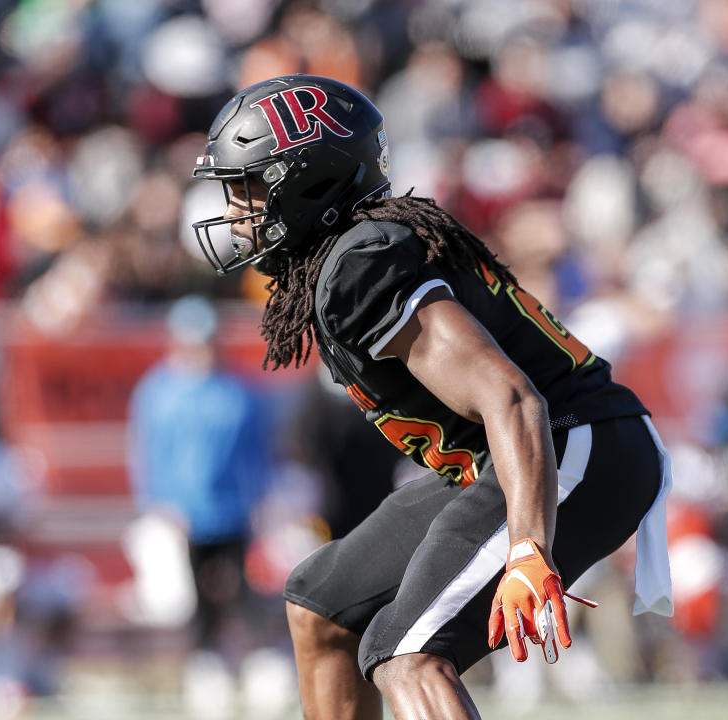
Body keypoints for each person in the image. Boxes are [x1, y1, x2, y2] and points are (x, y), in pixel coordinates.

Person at [190, 75, 673, 720]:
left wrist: (528, 549)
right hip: (511, 453)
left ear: (311, 183)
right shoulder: (356, 253)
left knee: (405, 654)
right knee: (322, 602)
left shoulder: (361, 264)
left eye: (250, 188)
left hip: (567, 442)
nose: (237, 211)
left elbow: (511, 398)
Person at [127, 295, 271, 661]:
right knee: (188, 596)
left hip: (231, 509)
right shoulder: (158, 392)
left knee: (239, 589)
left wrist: (258, 499)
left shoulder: (238, 391)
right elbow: (150, 454)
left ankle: (248, 656)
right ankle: (202, 656)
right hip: (183, 512)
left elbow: (254, 452)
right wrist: (160, 504)